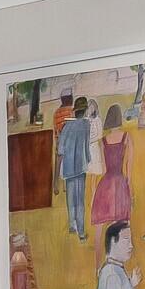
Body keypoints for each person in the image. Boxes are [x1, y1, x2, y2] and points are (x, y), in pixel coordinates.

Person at [56, 95, 94, 239]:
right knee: (80, 200)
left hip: (68, 167)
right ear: (84, 111)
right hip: (81, 165)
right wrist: (88, 159)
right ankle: (82, 232)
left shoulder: (67, 127)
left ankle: (72, 225)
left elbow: (60, 150)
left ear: (75, 111)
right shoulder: (86, 125)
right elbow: (86, 146)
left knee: (71, 198)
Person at [90, 103, 131, 233]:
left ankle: (97, 253)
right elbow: (129, 164)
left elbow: (102, 168)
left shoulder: (103, 141)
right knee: (122, 222)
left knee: (100, 223)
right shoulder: (126, 137)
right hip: (120, 180)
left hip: (106, 181)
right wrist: (128, 182)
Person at [96, 221, 139, 289]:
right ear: (112, 242)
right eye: (126, 240)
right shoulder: (111, 274)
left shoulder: (114, 270)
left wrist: (130, 285)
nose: (131, 246)